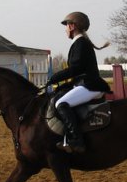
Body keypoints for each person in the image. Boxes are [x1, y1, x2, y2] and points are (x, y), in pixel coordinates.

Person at [47, 12, 110, 153]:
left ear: (72, 26)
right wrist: (60, 85)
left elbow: (75, 69)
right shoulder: (79, 43)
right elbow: (76, 72)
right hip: (84, 83)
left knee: (61, 104)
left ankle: (76, 141)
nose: (65, 30)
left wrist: (53, 78)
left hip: (90, 85)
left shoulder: (80, 43)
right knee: (59, 96)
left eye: (66, 26)